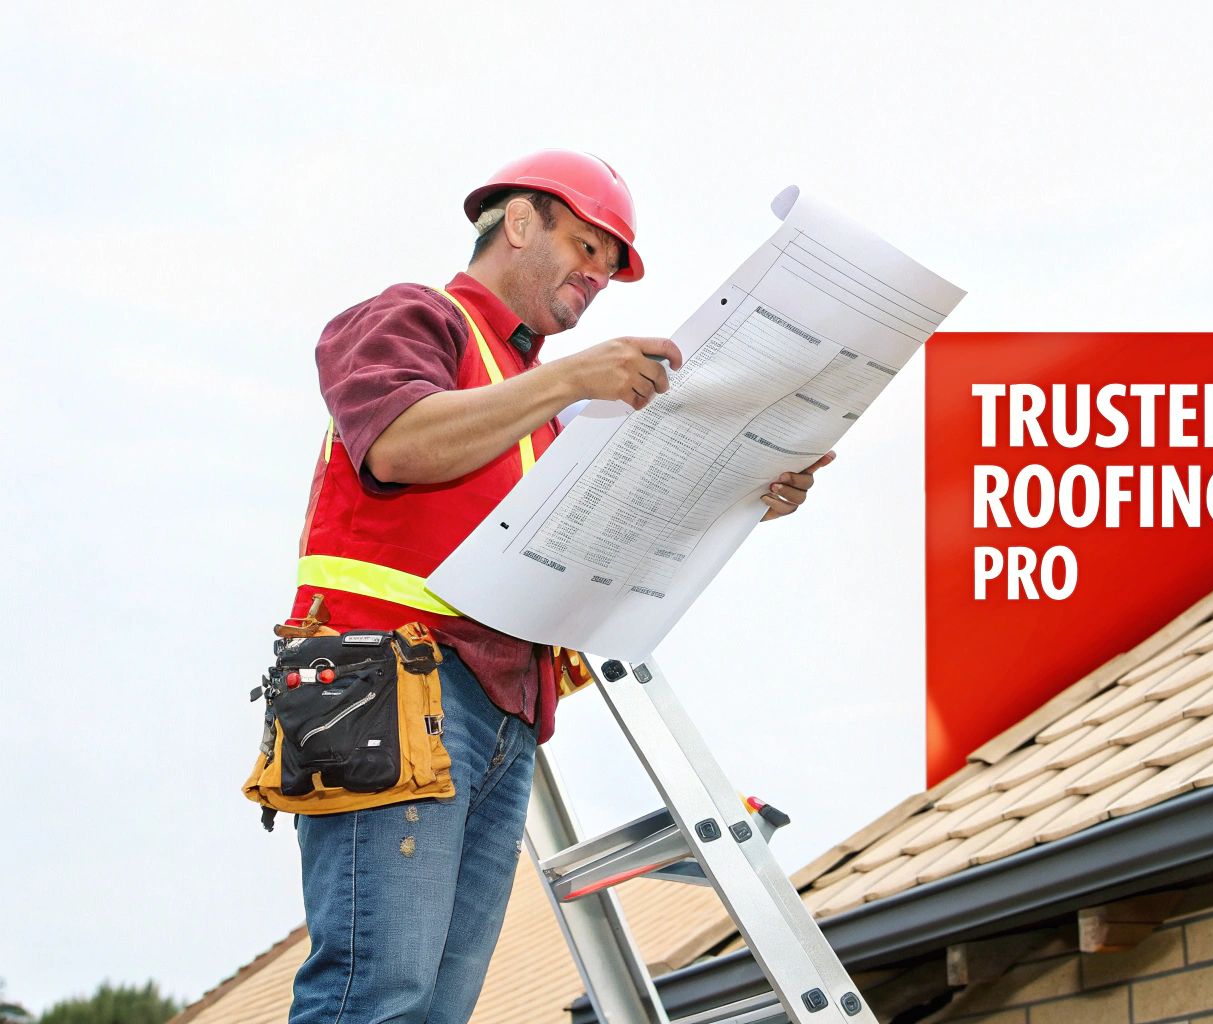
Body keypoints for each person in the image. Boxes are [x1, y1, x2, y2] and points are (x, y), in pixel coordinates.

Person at [283, 149, 833, 1023]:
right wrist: (573, 379)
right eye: (587, 248)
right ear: (520, 220)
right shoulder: (413, 318)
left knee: (431, 1010)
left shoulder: (545, 410)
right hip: (390, 689)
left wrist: (746, 491)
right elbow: (396, 444)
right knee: (376, 995)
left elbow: (616, 533)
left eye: (610, 269)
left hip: (502, 716)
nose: (597, 279)